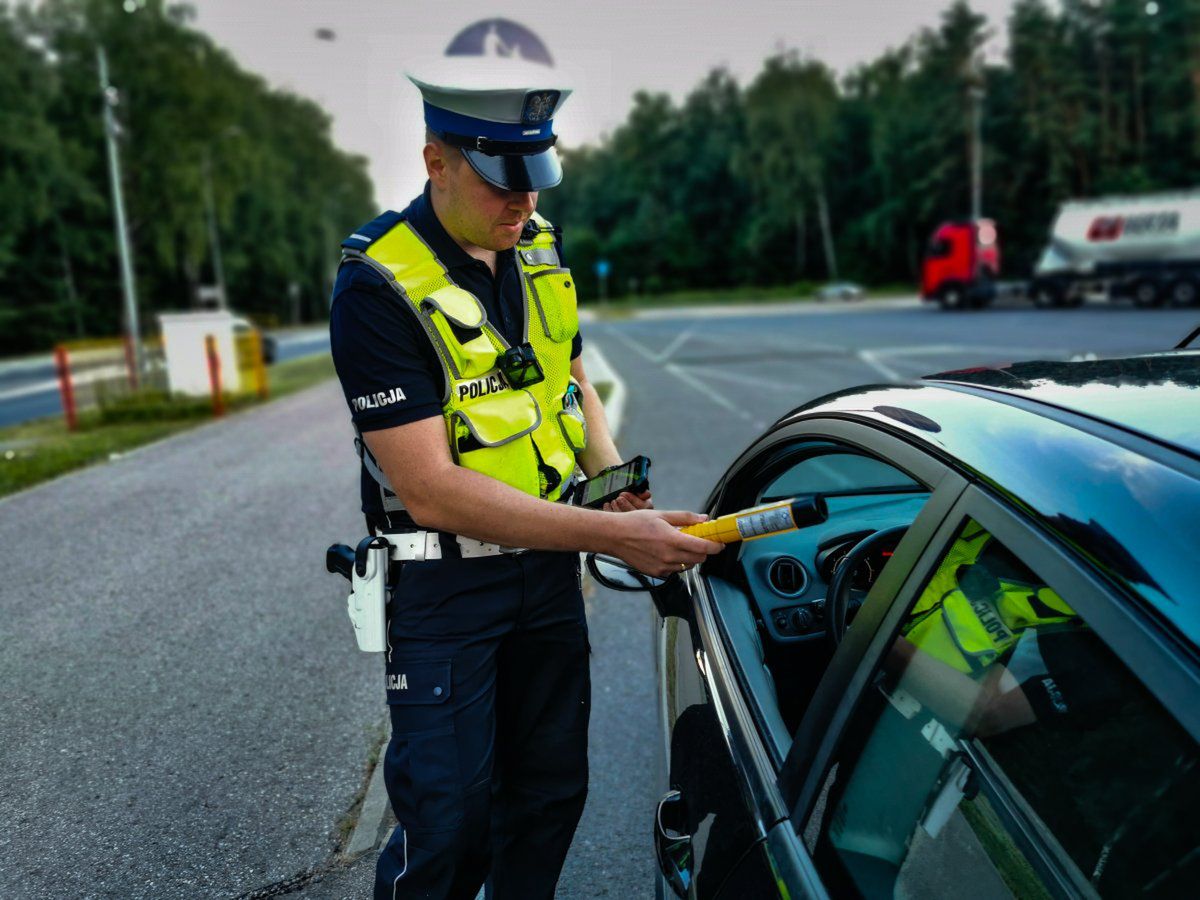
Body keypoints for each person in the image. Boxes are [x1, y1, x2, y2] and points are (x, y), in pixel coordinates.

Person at [328, 62, 722, 899]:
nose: (525, 205)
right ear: (436, 161)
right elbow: (430, 487)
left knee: (546, 798)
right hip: (445, 584)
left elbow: (566, 378)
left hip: (542, 574)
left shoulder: (536, 246)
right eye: (503, 183)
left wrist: (607, 474)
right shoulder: (378, 286)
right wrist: (614, 536)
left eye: (536, 181)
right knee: (450, 822)